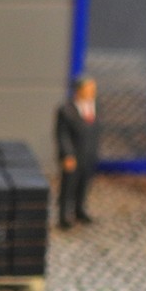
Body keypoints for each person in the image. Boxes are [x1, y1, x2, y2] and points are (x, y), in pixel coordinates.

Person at [55, 75, 100, 229]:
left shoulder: (95, 107)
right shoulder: (66, 110)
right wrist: (67, 154)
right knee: (69, 185)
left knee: (84, 183)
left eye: (93, 89)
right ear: (78, 91)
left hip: (89, 154)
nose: (92, 92)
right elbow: (62, 135)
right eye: (88, 89)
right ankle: (64, 215)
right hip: (74, 155)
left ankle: (79, 209)